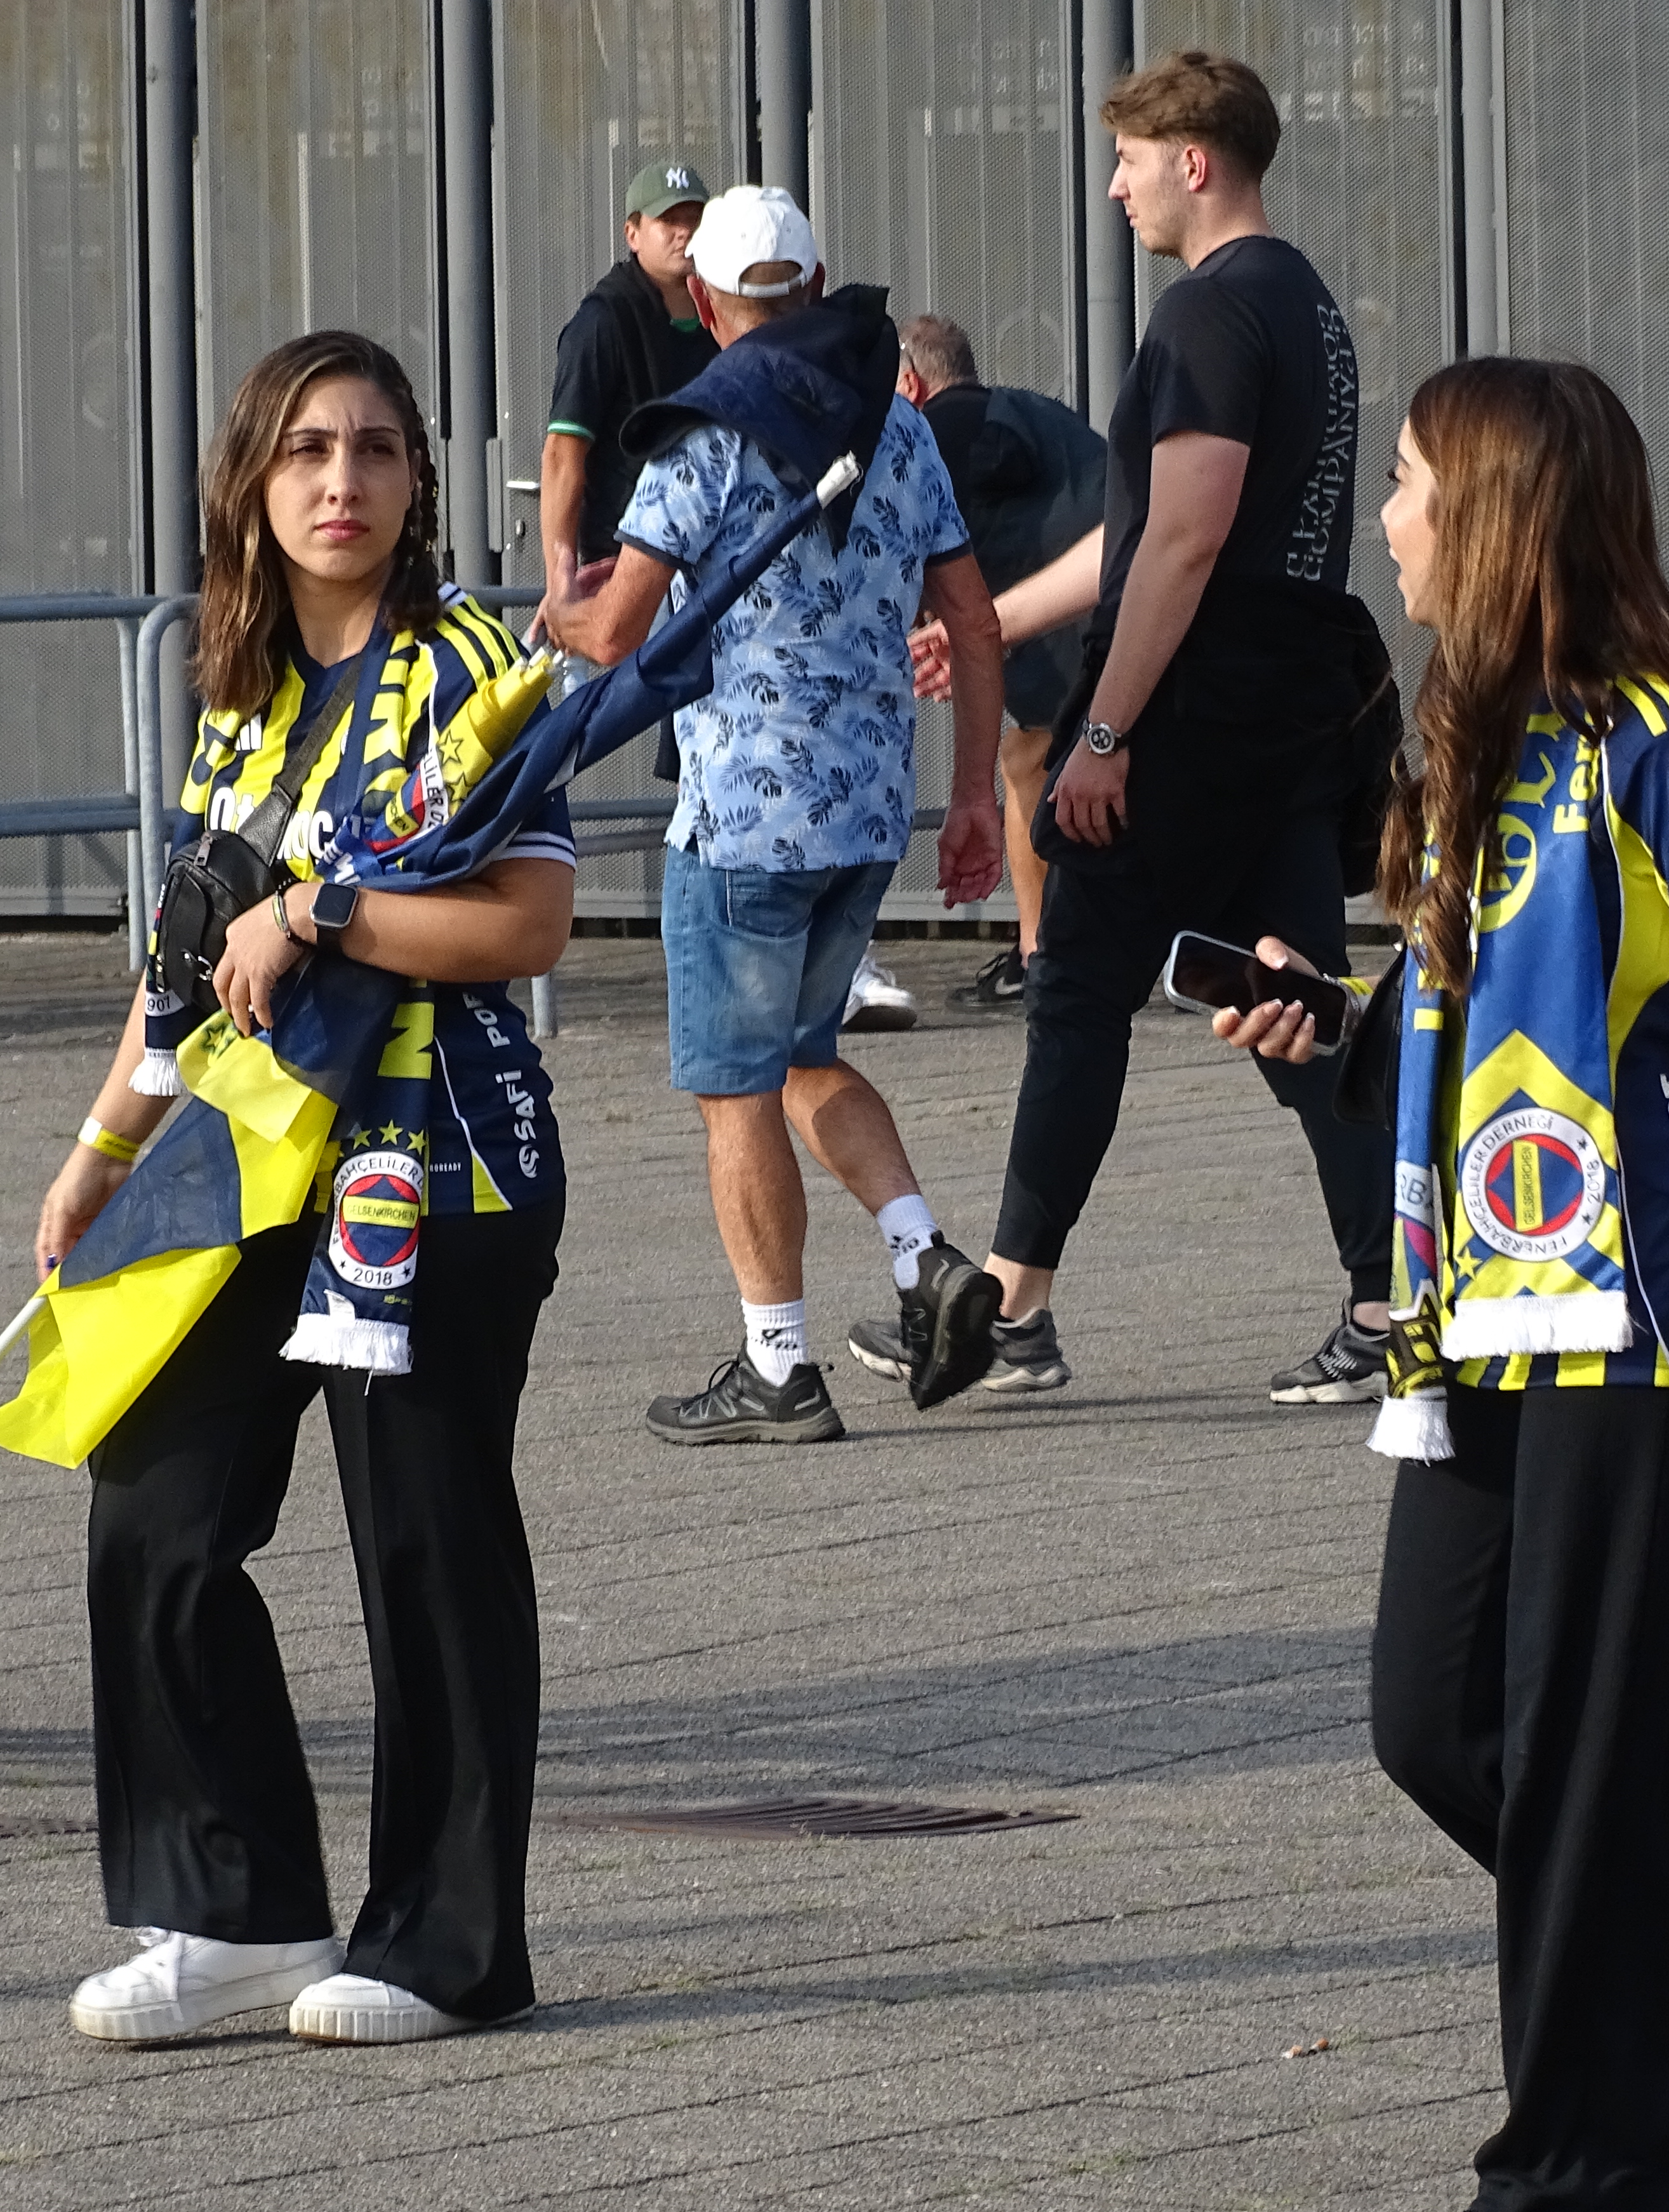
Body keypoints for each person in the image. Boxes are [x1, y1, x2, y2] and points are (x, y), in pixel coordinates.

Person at [1213, 356, 1669, 2212]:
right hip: (1483, 1321)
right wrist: (1329, 1018)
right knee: (1439, 1721)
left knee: (1592, 1749)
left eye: (1419, 486)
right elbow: (1484, 1030)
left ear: (1506, 514)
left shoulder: (1650, 740)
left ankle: (1599, 2180)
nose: (1390, 522)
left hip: (1645, 1312)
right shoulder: (1470, 747)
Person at [43, 331, 576, 2048]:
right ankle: (239, 1909)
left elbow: (525, 926)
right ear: (252, 490)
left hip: (427, 1166)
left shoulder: (474, 668)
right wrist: (97, 1148)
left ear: (419, 480)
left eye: (371, 450)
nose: (338, 482)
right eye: (303, 453)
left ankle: (448, 1942)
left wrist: (331, 915)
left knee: (422, 1542)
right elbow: (186, 953)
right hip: (226, 1157)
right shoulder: (241, 691)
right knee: (158, 1504)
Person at [929, 54, 1400, 1405]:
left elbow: (1183, 548)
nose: (1121, 185)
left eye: (1132, 158)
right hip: (1292, 697)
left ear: (1197, 161)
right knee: (1293, 994)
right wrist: (996, 624)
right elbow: (1144, 537)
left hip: (1199, 708)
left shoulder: (1204, 316)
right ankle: (1390, 1297)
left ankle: (1014, 1310)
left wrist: (1104, 737)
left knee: (1079, 983)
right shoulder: (1304, 305)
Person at [543, 187, 1009, 1442]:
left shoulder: (704, 440)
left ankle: (777, 1366)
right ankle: (926, 1260)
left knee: (736, 1092)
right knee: (803, 1055)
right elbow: (969, 616)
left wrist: (561, 617)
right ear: (814, 287)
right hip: (865, 818)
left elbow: (620, 626)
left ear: (705, 300)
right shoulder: (902, 431)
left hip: (741, 827)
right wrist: (972, 797)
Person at [890, 311, 1105, 1009]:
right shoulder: (1035, 414)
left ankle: (1038, 952)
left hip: (1071, 620)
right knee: (1050, 755)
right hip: (1131, 602)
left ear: (909, 382)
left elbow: (916, 556)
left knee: (1025, 761)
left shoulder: (921, 437)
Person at [535, 160, 715, 601]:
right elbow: (563, 454)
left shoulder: (725, 310)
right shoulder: (604, 320)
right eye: (669, 220)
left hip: (713, 570)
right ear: (632, 234)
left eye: (696, 219)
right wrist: (561, 579)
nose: (685, 232)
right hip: (624, 575)